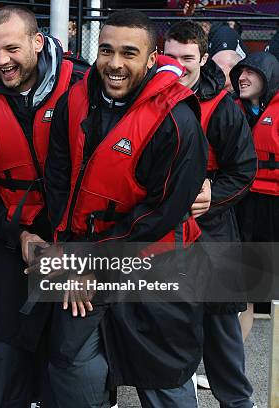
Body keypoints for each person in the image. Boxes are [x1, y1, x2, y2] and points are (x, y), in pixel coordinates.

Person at [45, 10, 208, 407]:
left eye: (129, 53)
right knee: (72, 367)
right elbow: (57, 184)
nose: (114, 64)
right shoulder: (74, 102)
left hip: (154, 266)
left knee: (165, 377)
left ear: (152, 59)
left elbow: (160, 214)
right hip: (82, 262)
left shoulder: (177, 119)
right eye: (106, 50)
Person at [0, 6, 88, 407]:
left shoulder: (83, 87)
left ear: (37, 42)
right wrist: (21, 237)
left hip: (77, 240)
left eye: (11, 48)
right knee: (8, 352)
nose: (1, 61)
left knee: (72, 355)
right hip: (11, 239)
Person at [164, 20, 257, 407]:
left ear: (203, 58)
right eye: (171, 57)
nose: (180, 65)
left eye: (188, 58)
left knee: (221, 338)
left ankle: (237, 403)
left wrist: (210, 196)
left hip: (213, 233)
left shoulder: (222, 108)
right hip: (161, 235)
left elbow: (244, 170)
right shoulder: (145, 97)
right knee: (169, 336)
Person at [231, 51, 279, 340]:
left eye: (251, 72)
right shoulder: (232, 109)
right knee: (243, 289)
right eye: (240, 72)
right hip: (243, 204)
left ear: (269, 78)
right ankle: (230, 369)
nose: (243, 77)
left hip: (274, 205)